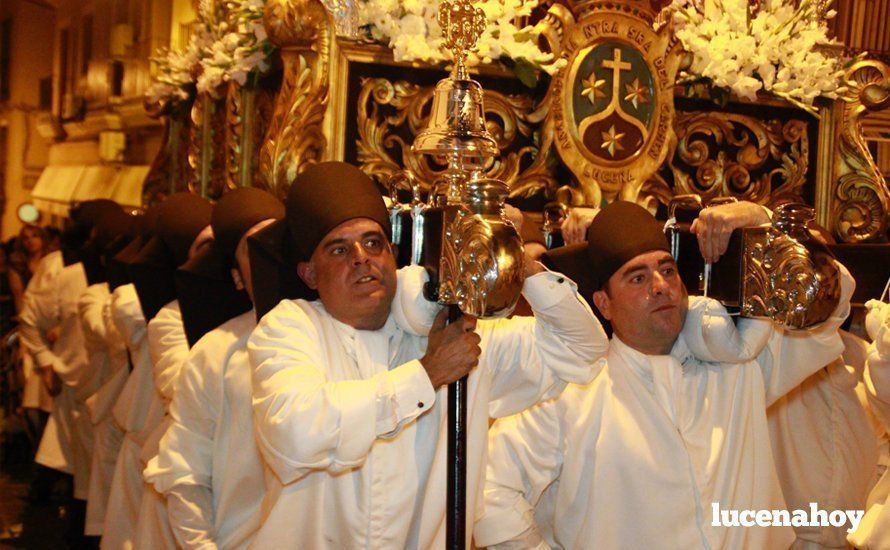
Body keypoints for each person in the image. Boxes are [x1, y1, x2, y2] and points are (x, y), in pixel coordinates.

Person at [246, 161, 608, 548]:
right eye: (339, 249)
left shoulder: (447, 330)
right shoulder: (289, 328)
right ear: (310, 275)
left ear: (393, 255)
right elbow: (295, 432)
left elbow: (582, 350)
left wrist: (516, 260)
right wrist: (426, 374)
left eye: (373, 243)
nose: (361, 257)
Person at [475, 200, 855, 549]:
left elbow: (833, 301)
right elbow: (490, 491)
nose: (660, 287)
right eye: (637, 278)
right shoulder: (571, 390)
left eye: (667, 271)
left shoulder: (738, 365)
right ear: (603, 304)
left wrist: (765, 226)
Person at [145, 187, 284, 548]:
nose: (271, 255)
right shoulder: (215, 352)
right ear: (237, 277)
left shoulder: (341, 331)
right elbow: (184, 473)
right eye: (254, 248)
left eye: (278, 240)